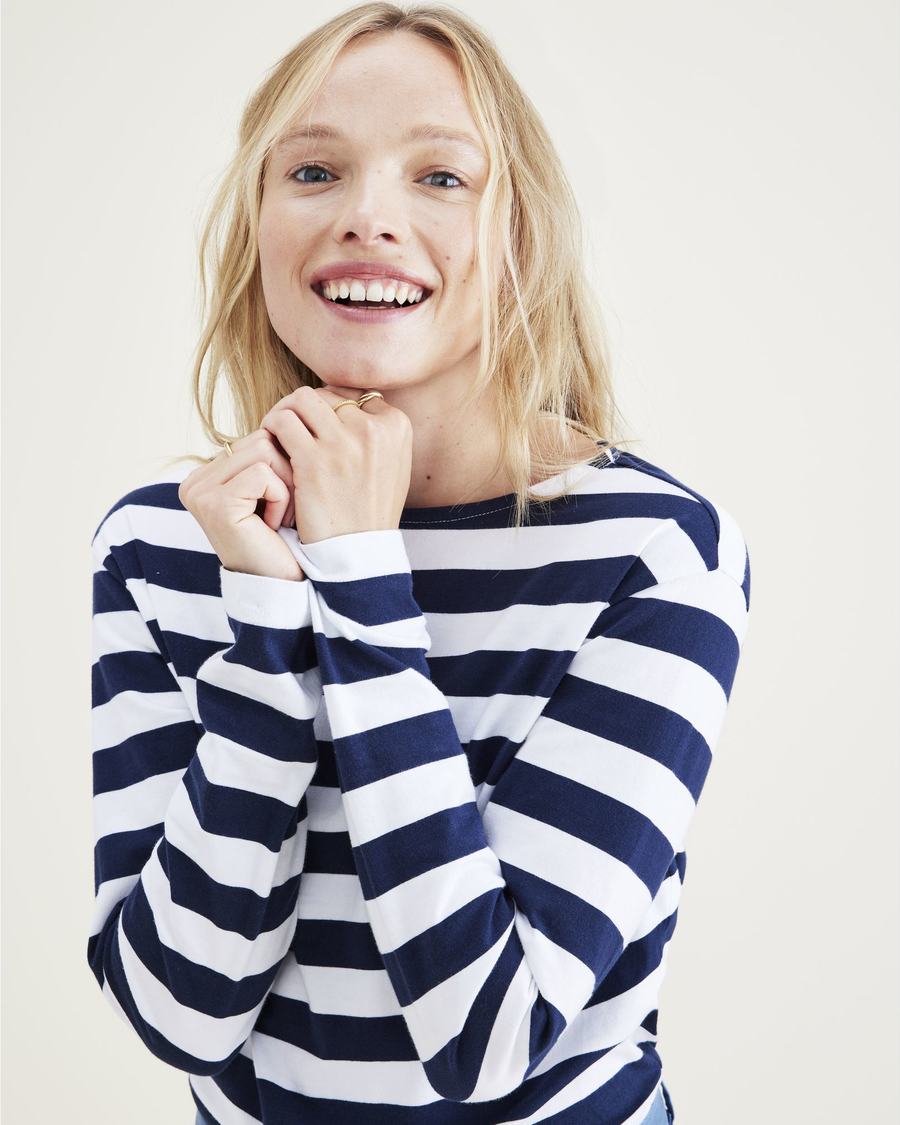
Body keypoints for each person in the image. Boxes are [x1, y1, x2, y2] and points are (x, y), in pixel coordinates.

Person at [87, 6, 750, 1125]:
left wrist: (359, 579)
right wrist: (266, 621)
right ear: (256, 225)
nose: (366, 218)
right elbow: (180, 1014)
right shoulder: (163, 542)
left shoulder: (653, 553)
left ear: (521, 236)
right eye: (312, 169)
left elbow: (487, 1039)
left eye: (441, 177)